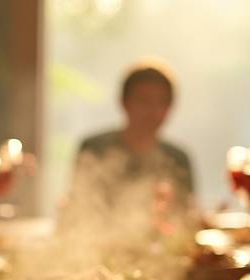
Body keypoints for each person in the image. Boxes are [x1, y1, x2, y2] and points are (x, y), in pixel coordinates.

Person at [65, 59, 195, 234]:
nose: (154, 111)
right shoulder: (95, 150)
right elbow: (76, 212)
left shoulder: (177, 159)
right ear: (124, 102)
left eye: (162, 102)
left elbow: (185, 220)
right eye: (144, 101)